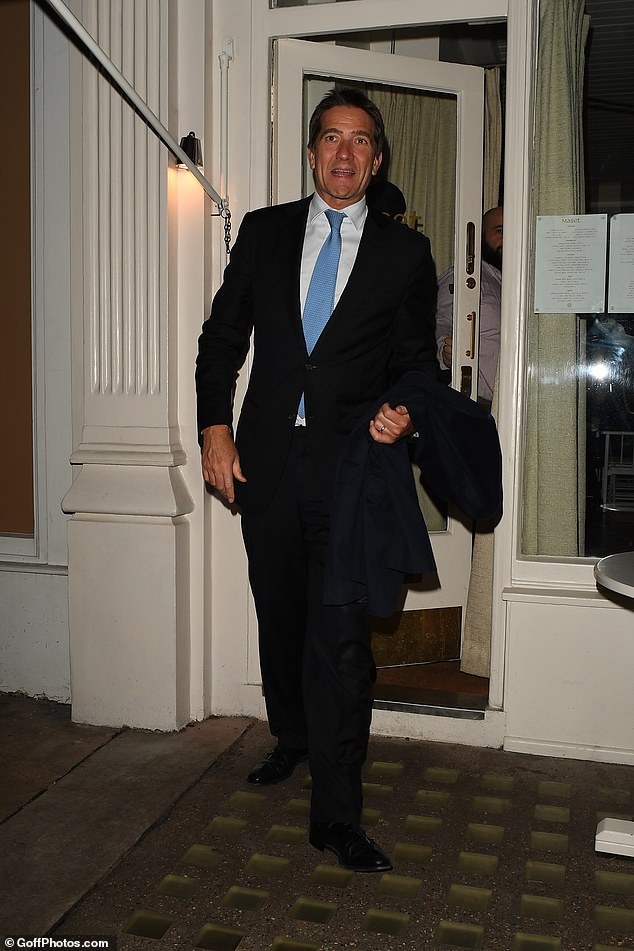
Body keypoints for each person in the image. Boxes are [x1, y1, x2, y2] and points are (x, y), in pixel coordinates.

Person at [196, 87, 438, 873]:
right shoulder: (263, 234)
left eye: (360, 141)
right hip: (266, 463)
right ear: (310, 152)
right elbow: (222, 337)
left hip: (350, 474)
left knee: (341, 645)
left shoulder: (406, 254)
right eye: (330, 138)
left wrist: (404, 408)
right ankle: (292, 737)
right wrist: (214, 429)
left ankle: (338, 816)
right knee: (282, 616)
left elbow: (414, 363)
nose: (343, 154)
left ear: (376, 157)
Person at [436, 206, 503, 408]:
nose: (508, 239)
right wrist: (445, 350)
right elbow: (442, 322)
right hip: (475, 404)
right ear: (481, 238)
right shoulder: (467, 278)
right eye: (499, 231)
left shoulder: (517, 284)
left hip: (512, 406)